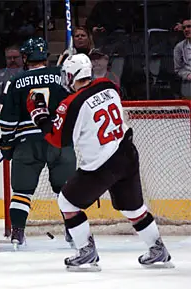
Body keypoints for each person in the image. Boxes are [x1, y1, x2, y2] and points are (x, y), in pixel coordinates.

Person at [26, 53, 173, 271]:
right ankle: (157, 248)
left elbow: (57, 139)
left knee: (67, 203)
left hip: (102, 164)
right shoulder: (109, 85)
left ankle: (85, 251)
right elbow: (84, 104)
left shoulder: (72, 103)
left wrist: (39, 114)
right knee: (133, 209)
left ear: (71, 75)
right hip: (126, 152)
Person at [0, 37, 76, 249]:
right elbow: (74, 104)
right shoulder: (61, 75)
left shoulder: (15, 81)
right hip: (59, 140)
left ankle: (17, 234)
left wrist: (6, 142)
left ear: (26, 57)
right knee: (67, 190)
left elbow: (7, 119)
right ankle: (73, 231)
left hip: (27, 142)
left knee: (22, 192)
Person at [174, 18, 191, 99]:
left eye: (189, 26)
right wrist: (188, 75)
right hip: (188, 87)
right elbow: (178, 69)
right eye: (184, 28)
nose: (186, 30)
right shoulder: (179, 47)